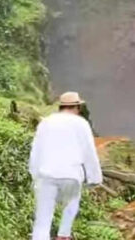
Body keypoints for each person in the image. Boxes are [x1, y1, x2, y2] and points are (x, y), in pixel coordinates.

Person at [29, 91, 102, 240]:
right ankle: (63, 234)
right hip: (71, 175)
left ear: (61, 107)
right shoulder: (81, 124)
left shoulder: (46, 122)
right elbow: (89, 152)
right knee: (71, 202)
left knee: (43, 219)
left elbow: (36, 150)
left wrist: (34, 173)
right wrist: (94, 178)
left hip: (46, 174)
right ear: (77, 107)